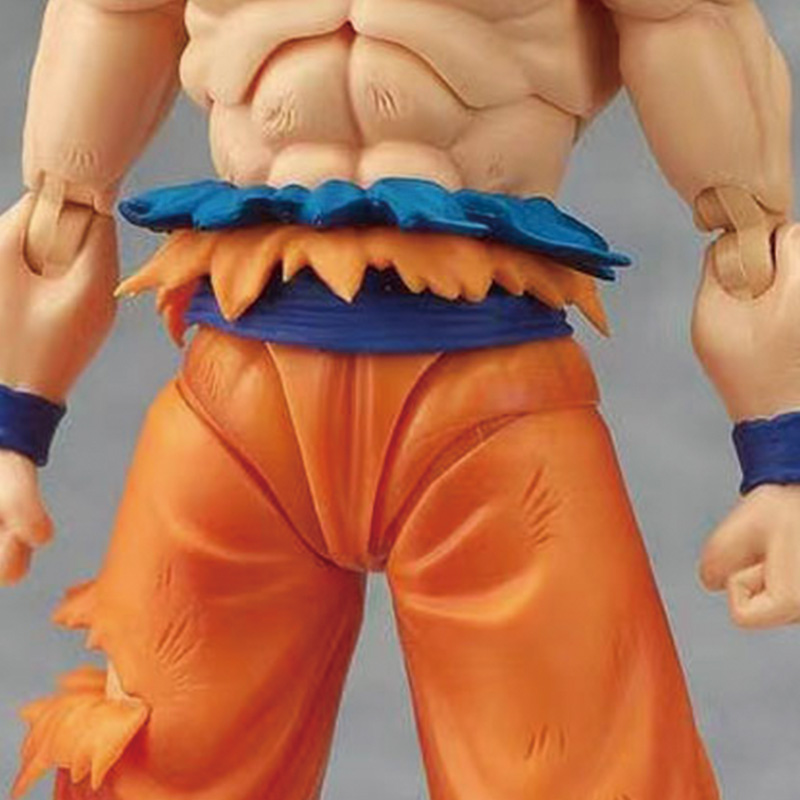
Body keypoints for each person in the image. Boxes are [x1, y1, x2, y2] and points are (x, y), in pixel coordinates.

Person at [0, 1, 797, 798]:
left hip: (491, 403)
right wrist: (12, 423)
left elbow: (745, 216)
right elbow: (63, 195)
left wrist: (782, 455)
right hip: (238, 396)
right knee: (154, 766)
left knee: (585, 774)